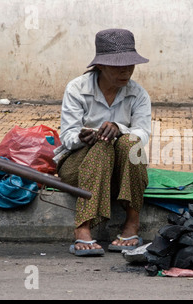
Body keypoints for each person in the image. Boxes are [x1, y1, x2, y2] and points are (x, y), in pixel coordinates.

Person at [54, 29, 151, 256]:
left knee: (132, 144)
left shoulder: (138, 94)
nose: (125, 71)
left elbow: (143, 134)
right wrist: (82, 137)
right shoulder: (77, 89)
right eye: (118, 66)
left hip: (117, 173)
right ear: (100, 66)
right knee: (102, 145)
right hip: (76, 165)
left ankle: (132, 224)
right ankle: (83, 227)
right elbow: (67, 136)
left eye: (130, 65)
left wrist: (119, 130)